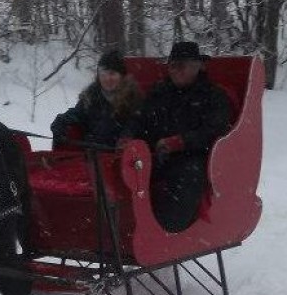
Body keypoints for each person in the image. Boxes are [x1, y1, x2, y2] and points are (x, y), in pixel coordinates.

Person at [125, 41, 231, 232]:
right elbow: (140, 119)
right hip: (157, 155)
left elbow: (213, 131)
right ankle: (125, 224)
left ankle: (169, 229)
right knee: (128, 169)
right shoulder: (160, 92)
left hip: (194, 157)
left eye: (180, 66)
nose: (175, 71)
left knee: (187, 175)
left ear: (197, 66)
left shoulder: (213, 96)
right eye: (172, 66)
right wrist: (129, 137)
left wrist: (180, 142)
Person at [51, 50, 143, 148]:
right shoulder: (91, 96)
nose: (107, 79)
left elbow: (135, 124)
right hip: (90, 154)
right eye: (103, 74)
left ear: (121, 76)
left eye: (112, 74)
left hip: (118, 156)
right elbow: (77, 114)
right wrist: (61, 121)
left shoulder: (132, 98)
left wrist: (125, 138)